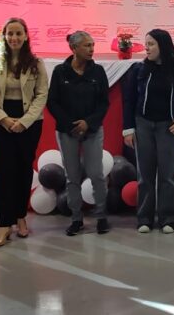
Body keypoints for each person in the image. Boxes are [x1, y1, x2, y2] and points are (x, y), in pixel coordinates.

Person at [0, 17, 48, 248]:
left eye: (18, 33)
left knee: (22, 170)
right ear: (4, 36)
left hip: (29, 123)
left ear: (26, 36)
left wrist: (24, 122)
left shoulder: (36, 63)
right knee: (3, 173)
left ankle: (20, 217)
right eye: (10, 33)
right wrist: (4, 119)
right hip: (0, 122)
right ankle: (3, 225)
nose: (14, 38)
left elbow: (41, 95)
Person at [123, 29, 174, 233]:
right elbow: (129, 100)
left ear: (163, 46)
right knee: (145, 176)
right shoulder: (138, 70)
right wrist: (128, 128)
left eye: (151, 44)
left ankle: (168, 218)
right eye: (146, 44)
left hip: (168, 128)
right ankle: (144, 219)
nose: (146, 48)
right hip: (143, 126)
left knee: (167, 176)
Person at [47, 31, 110, 236]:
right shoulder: (60, 71)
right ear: (73, 48)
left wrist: (88, 123)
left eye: (92, 45)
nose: (92, 49)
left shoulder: (98, 71)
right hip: (67, 131)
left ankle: (101, 216)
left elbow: (104, 103)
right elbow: (52, 102)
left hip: (92, 130)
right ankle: (76, 219)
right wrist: (70, 124)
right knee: (72, 177)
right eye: (87, 45)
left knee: (96, 174)